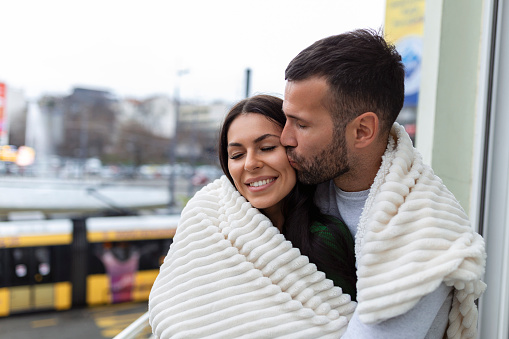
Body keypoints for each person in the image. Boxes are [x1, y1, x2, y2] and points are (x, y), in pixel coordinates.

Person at [280, 28, 487, 339]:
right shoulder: (308, 179)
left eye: (301, 124)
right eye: (286, 119)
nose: (285, 138)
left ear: (362, 131)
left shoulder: (422, 239)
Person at [148, 95, 357, 339]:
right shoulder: (205, 220)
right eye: (236, 155)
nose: (250, 164)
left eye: (267, 148)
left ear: (295, 150)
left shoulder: (326, 238)